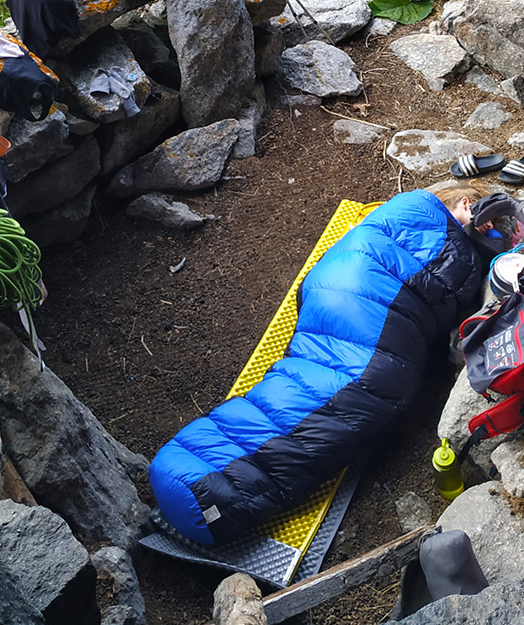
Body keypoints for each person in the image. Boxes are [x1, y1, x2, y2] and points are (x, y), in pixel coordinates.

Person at [149, 182, 503, 546]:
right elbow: (454, 285)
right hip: (362, 311)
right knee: (364, 389)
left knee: (305, 382)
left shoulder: (398, 210)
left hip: (334, 291)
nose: (490, 231)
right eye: (488, 221)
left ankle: (200, 473)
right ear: (465, 204)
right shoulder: (438, 231)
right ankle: (212, 496)